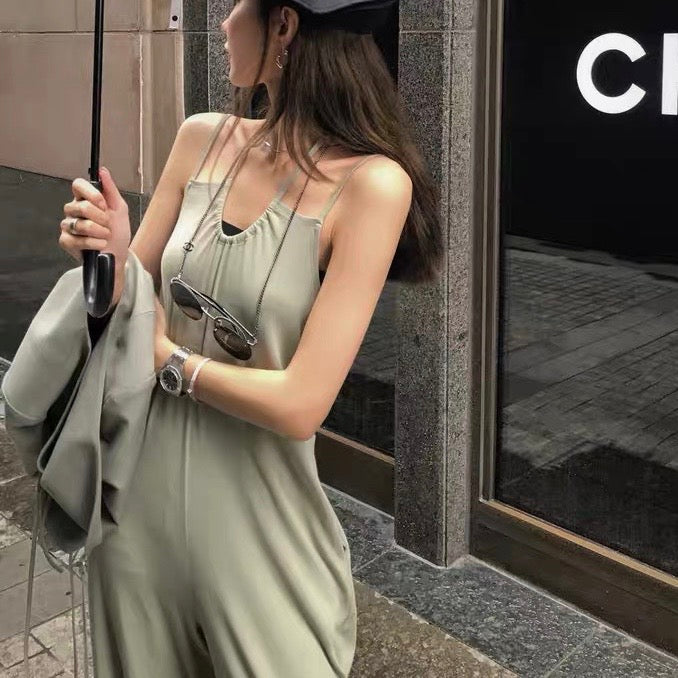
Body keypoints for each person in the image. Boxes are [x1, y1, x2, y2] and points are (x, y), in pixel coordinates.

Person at [58, 0, 443, 675]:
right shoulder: (201, 137)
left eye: (235, 4)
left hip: (261, 527)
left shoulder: (374, 185)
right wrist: (110, 253)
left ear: (284, 24)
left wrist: (167, 358)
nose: (224, 23)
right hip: (134, 509)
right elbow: (126, 303)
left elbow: (301, 404)